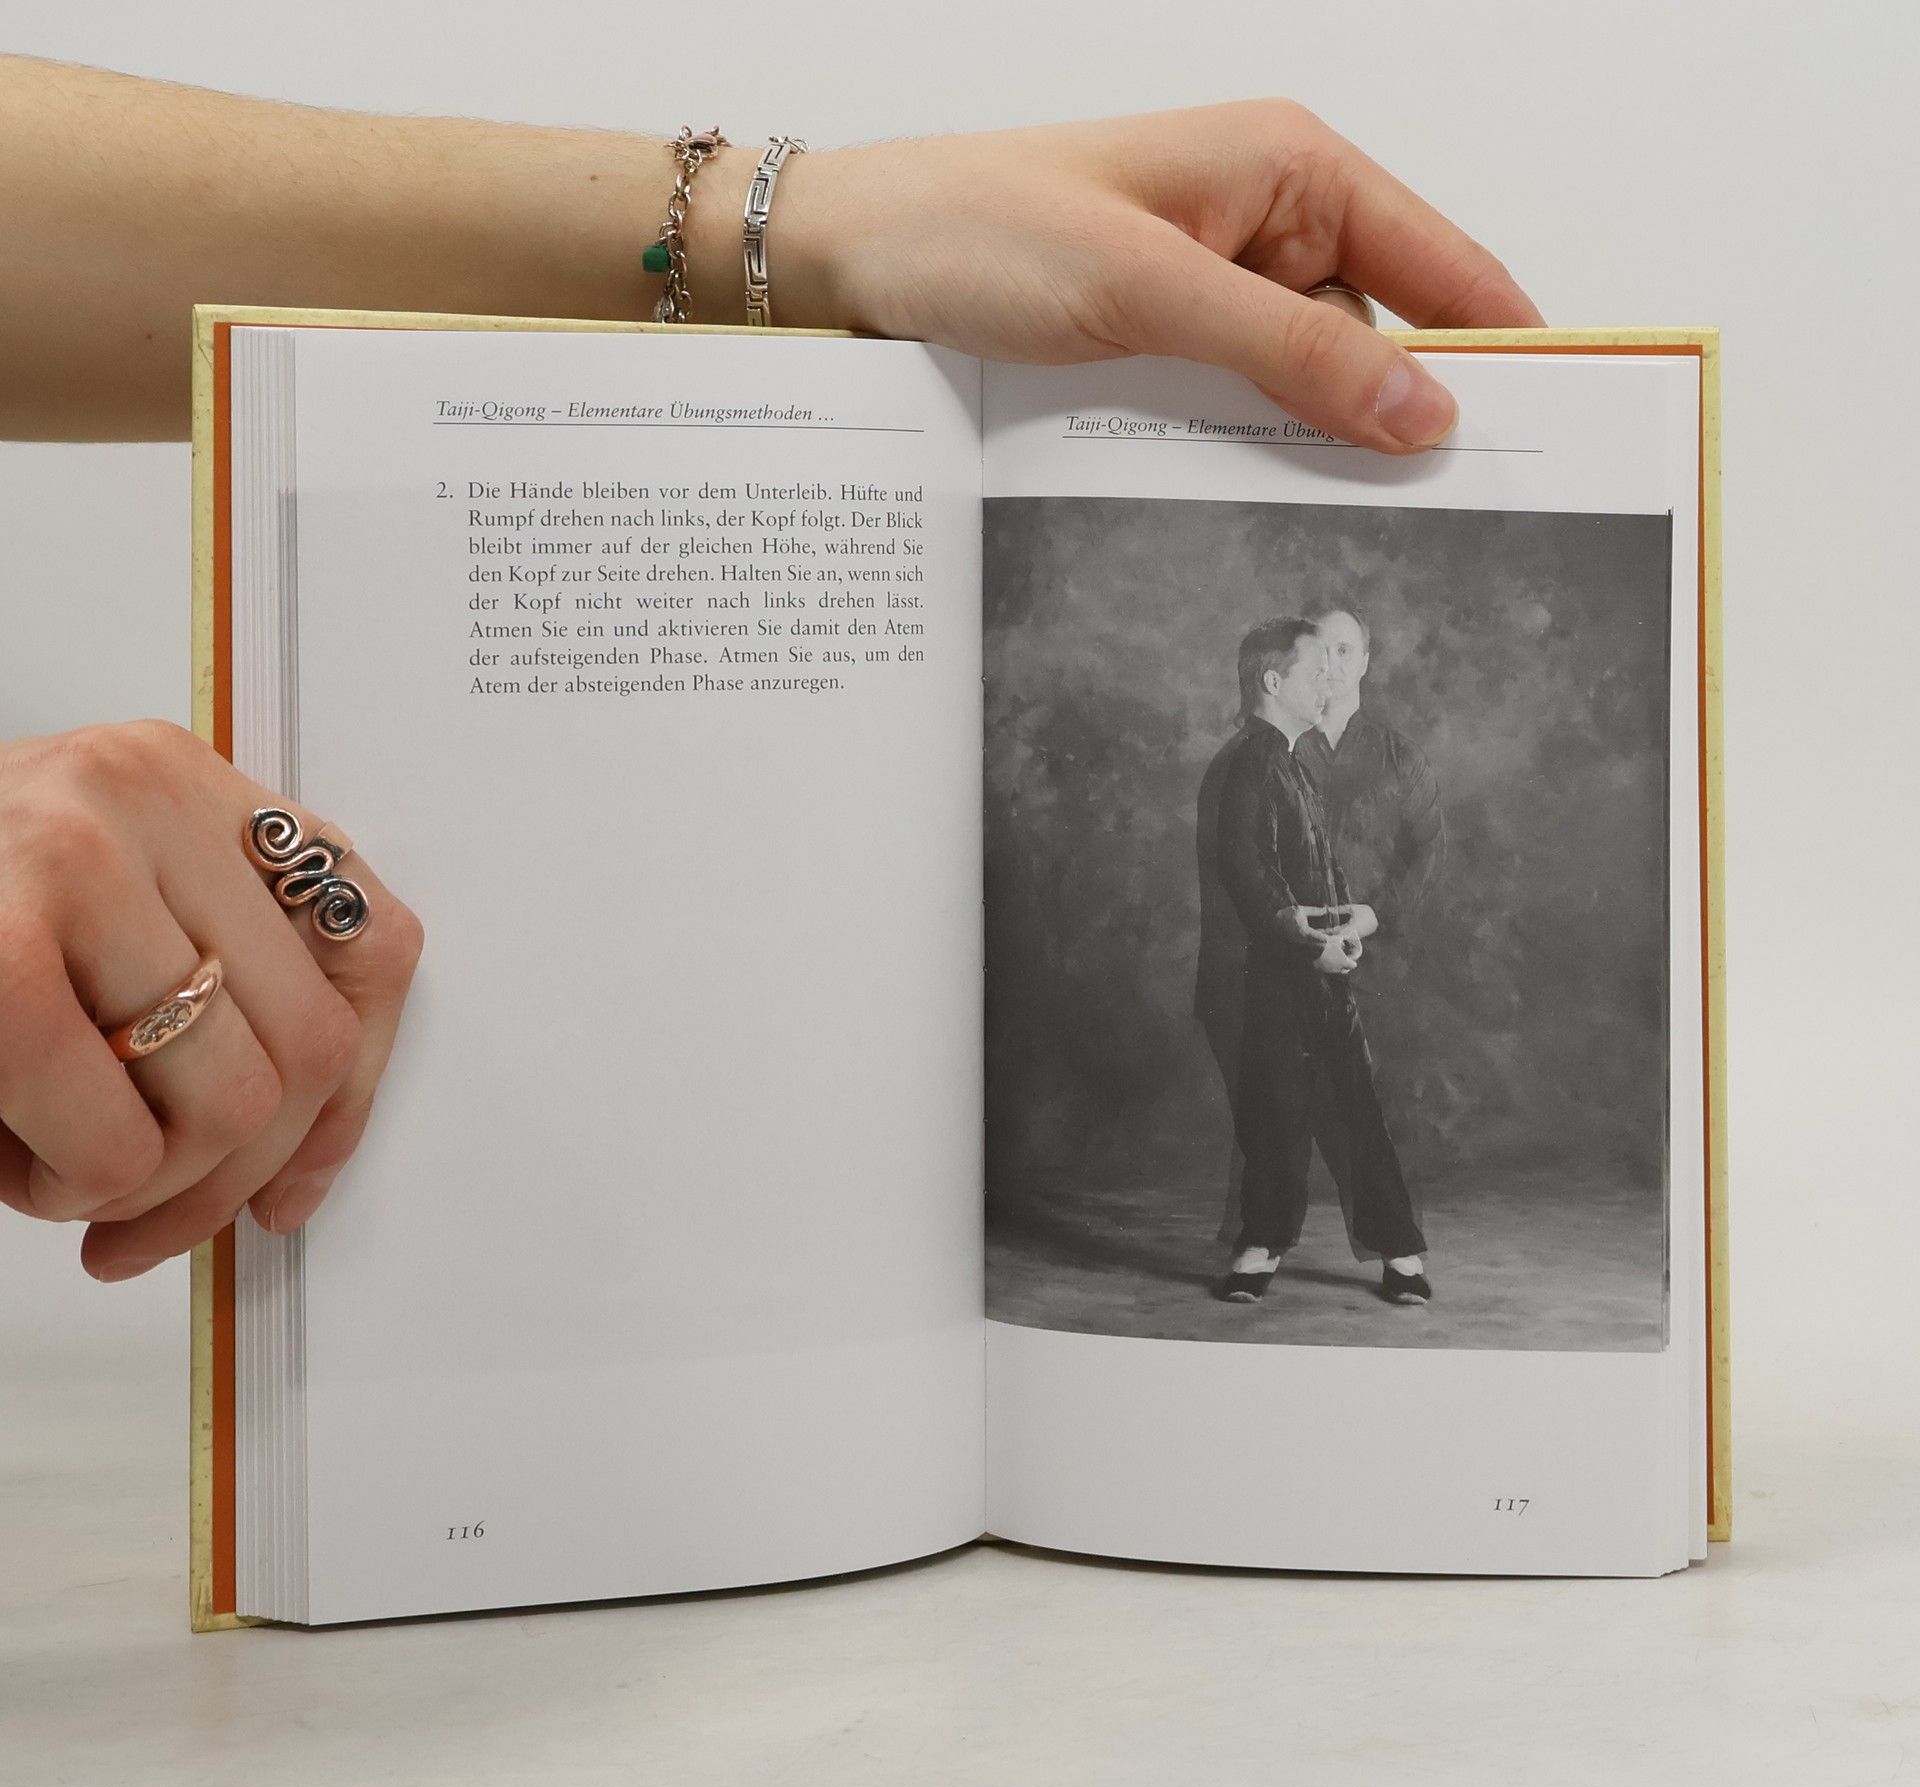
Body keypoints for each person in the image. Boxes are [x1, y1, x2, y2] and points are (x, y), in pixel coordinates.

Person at [0, 55, 1541, 1283]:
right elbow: (1251, 888)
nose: (1344, 683)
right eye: (1329, 662)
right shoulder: (1242, 767)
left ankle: (1368, 1246)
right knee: (1280, 1107)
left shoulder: (1304, 769)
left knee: (1328, 1099)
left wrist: (811, 224)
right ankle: (1294, 1244)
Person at [1213, 618, 1430, 1305]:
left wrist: (1344, 930)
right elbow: (1248, 871)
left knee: (1351, 1107)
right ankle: (1263, 1244)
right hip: (1280, 976)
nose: (1329, 682)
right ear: (1274, 682)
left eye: (1339, 664)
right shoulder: (1251, 762)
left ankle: (1398, 1252)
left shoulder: (1289, 761)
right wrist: (1310, 940)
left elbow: (1317, 867)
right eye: (1316, 672)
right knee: (1279, 1112)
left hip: (1316, 968)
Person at [1295, 606, 1445, 1182]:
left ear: (1364, 661)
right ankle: (1268, 1228)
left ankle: (1392, 1232)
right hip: (1293, 953)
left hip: (1378, 960)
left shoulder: (1401, 758)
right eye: (1320, 651)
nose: (1331, 664)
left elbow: (1425, 851)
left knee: (1379, 1115)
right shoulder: (1279, 751)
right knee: (1280, 1113)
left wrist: (1374, 915)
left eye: (1344, 651)